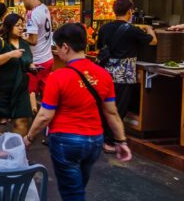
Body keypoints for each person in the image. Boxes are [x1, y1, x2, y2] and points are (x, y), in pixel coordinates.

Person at [25, 23, 132, 201]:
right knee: (78, 186)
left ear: (66, 47)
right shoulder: (103, 75)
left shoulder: (58, 77)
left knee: (72, 193)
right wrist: (121, 141)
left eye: (58, 48)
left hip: (66, 141)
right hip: (94, 141)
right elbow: (112, 113)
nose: (57, 52)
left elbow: (45, 115)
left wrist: (28, 138)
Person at [97, 0, 157, 153]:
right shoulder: (133, 30)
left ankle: (102, 137)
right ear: (130, 11)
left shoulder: (105, 28)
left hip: (105, 74)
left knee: (105, 106)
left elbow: (99, 46)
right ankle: (109, 141)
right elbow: (153, 42)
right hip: (124, 75)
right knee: (119, 109)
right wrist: (149, 29)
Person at [0, 13, 34, 136]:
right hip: (1, 90)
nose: (21, 28)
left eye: (22, 25)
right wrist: (10, 54)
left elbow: (27, 61)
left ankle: (17, 152)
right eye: (17, 25)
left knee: (22, 121)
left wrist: (32, 67)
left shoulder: (24, 44)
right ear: (9, 26)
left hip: (21, 89)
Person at [22, 0, 53, 114]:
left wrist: (22, 37)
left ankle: (34, 118)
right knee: (45, 92)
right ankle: (49, 115)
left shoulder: (32, 14)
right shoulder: (45, 9)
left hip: (36, 61)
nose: (23, 3)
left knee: (30, 91)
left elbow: (33, 40)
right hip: (48, 58)